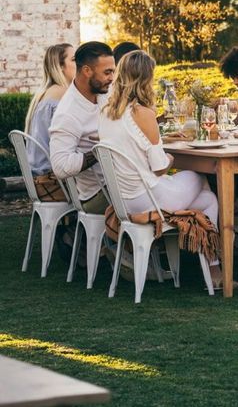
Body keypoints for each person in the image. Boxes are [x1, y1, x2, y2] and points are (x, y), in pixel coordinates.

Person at [98, 50, 225, 287]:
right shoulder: (143, 113)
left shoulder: (106, 112)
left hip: (124, 202)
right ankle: (213, 267)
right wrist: (169, 158)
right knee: (199, 176)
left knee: (209, 201)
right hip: (149, 198)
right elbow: (159, 169)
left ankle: (213, 268)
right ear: (146, 79)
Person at [49, 41, 116, 214]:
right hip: (98, 194)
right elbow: (60, 166)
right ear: (87, 71)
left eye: (113, 72)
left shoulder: (104, 91)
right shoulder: (68, 113)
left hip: (119, 180)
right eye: (107, 72)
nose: (112, 78)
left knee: (185, 182)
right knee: (186, 183)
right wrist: (101, 148)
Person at [24, 43, 75, 176]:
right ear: (60, 66)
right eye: (74, 60)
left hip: (37, 173)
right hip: (53, 177)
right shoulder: (63, 93)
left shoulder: (44, 93)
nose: (80, 64)